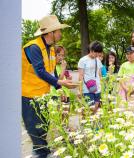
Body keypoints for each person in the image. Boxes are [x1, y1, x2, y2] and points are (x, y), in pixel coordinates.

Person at [22, 15, 76, 158]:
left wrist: (60, 90)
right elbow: (40, 71)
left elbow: (52, 72)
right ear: (50, 32)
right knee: (37, 135)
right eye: (58, 30)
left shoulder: (52, 50)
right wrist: (60, 82)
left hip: (43, 95)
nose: (60, 33)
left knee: (43, 130)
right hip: (28, 96)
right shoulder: (33, 47)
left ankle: (41, 153)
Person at [78, 41, 103, 113]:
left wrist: (102, 86)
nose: (97, 54)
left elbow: (99, 74)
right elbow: (80, 76)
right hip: (87, 89)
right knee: (88, 110)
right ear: (91, 50)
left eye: (99, 52)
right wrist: (79, 90)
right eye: (96, 52)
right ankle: (85, 123)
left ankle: (93, 124)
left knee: (95, 109)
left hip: (97, 88)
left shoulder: (98, 60)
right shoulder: (83, 60)